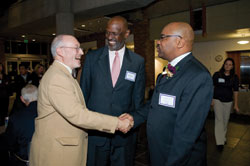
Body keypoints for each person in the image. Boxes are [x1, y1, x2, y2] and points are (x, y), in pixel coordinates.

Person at [29, 34, 133, 166]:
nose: (82, 52)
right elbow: (78, 115)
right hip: (57, 154)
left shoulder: (63, 74)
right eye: (76, 48)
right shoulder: (57, 78)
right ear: (60, 51)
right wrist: (117, 123)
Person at [121, 22, 213, 166]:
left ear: (179, 42)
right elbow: (154, 104)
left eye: (163, 37)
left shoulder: (198, 76)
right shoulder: (170, 70)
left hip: (177, 159)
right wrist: (134, 117)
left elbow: (186, 134)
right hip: (159, 152)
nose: (158, 42)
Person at [80, 16, 145, 166]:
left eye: (115, 33)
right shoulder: (92, 58)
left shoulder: (137, 62)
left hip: (123, 137)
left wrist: (133, 126)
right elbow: (84, 94)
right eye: (107, 32)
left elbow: (138, 101)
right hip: (96, 134)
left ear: (127, 34)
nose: (110, 37)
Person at [5, 84, 38, 166]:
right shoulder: (49, 112)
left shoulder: (16, 118)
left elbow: (10, 143)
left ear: (22, 99)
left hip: (24, 160)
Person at [212, 58, 239, 151]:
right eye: (226, 64)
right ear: (223, 65)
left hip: (228, 101)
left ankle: (222, 137)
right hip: (217, 100)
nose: (228, 66)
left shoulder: (234, 77)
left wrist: (236, 104)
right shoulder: (217, 75)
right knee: (219, 120)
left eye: (230, 64)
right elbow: (212, 87)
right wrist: (211, 99)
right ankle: (219, 142)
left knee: (225, 120)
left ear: (232, 66)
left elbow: (235, 91)